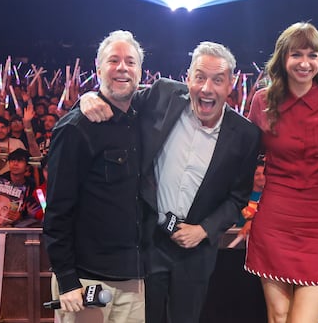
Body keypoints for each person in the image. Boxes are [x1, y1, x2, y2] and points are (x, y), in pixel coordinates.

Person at [81, 41, 261, 323]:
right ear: (187, 77)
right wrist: (90, 96)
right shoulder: (163, 95)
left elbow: (238, 197)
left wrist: (203, 230)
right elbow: (119, 97)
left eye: (217, 80)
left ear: (231, 84)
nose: (206, 88)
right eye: (199, 77)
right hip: (149, 239)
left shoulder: (246, 135)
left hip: (196, 251)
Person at [245, 22, 318, 323]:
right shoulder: (262, 101)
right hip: (276, 215)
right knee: (278, 316)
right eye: (297, 54)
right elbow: (245, 157)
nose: (305, 63)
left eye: (312, 55)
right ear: (283, 59)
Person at [44, 30, 147, 322]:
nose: (122, 67)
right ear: (98, 67)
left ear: (140, 71)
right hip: (87, 280)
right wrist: (66, 280)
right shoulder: (76, 128)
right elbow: (58, 210)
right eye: (114, 60)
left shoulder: (145, 118)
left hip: (133, 279)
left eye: (130, 61)